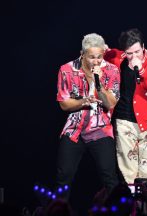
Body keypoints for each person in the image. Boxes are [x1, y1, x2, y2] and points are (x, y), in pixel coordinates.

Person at [55, 33, 120, 200]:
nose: (96, 61)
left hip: (100, 129)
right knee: (64, 176)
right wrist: (83, 101)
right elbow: (63, 103)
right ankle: (60, 210)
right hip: (74, 129)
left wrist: (98, 83)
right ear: (82, 54)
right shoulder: (67, 70)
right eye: (92, 57)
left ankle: (117, 211)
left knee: (110, 177)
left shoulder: (111, 70)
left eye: (99, 57)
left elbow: (111, 103)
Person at [104, 28, 147, 194]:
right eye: (129, 53)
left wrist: (143, 71)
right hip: (123, 121)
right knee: (128, 170)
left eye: (137, 51)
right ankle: (132, 208)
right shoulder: (119, 58)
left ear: (143, 46)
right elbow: (102, 53)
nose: (133, 57)